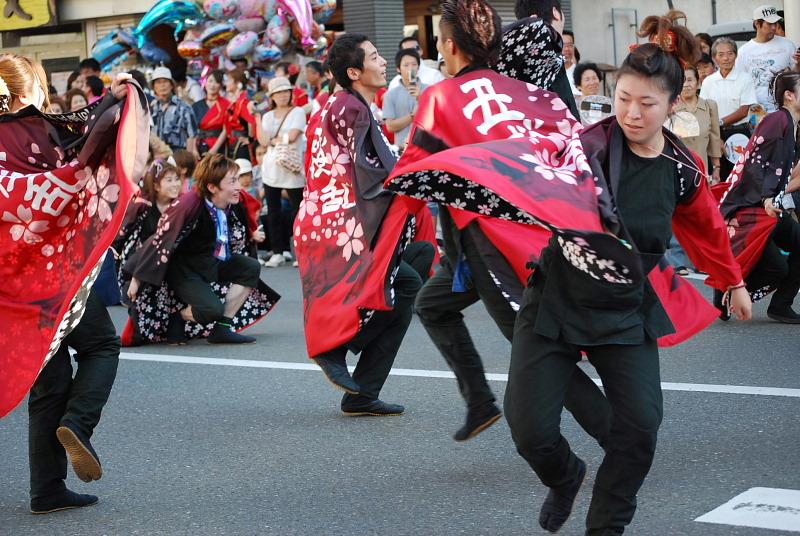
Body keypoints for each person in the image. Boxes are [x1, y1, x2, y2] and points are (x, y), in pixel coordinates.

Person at [504, 41, 751, 535]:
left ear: (673, 104)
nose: (631, 113)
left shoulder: (682, 170)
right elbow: (528, 185)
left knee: (640, 429)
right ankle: (566, 475)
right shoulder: (585, 146)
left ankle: (606, 526)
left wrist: (733, 281)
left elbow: (705, 229)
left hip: (624, 307)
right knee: (531, 432)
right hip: (558, 296)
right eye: (623, 99)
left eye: (647, 103)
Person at [388, 0, 611, 444]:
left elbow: (413, 173)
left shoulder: (440, 97)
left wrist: (382, 236)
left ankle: (617, 436)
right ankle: (479, 400)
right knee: (432, 305)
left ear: (449, 47)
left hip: (489, 240)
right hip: (533, 228)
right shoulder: (529, 93)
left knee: (536, 347)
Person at [0, 53, 149, 512]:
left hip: (9, 285)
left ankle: (47, 489)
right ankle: (79, 425)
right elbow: (85, 152)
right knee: (102, 345)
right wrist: (114, 101)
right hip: (52, 277)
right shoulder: (34, 130)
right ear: (28, 93)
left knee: (51, 379)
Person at [297, 33, 436, 416]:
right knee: (402, 284)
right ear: (355, 71)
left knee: (409, 276)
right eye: (375, 57)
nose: (383, 62)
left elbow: (375, 163)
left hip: (332, 219)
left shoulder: (344, 105)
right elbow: (371, 171)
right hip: (344, 224)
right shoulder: (350, 108)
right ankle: (334, 350)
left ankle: (361, 391)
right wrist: (419, 164)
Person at [123, 154, 278, 345]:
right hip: (184, 269)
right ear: (212, 187)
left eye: (237, 179)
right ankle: (177, 317)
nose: (238, 186)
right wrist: (137, 278)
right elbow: (159, 239)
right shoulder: (188, 204)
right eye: (232, 181)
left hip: (212, 259)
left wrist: (251, 234)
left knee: (250, 267)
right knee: (210, 310)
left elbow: (242, 223)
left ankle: (222, 328)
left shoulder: (232, 199)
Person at [713, 71, 800, 324]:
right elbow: (755, 161)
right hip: (750, 207)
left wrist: (779, 196)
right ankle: (729, 295)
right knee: (776, 268)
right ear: (789, 95)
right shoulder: (776, 120)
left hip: (770, 206)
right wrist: (766, 198)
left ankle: (780, 306)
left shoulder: (792, 124)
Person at [665, 65, 723, 274]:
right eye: (682, 80)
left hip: (702, 171)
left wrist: (716, 167)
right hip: (674, 169)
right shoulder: (670, 106)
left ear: (698, 83)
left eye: (691, 80)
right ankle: (677, 260)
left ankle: (701, 260)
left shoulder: (709, 106)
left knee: (701, 216)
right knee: (677, 214)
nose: (686, 84)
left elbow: (714, 138)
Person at [254, 76, 307, 268]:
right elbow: (262, 140)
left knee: (298, 211)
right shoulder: (267, 116)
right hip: (271, 168)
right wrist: (258, 118)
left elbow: (292, 137)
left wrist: (273, 140)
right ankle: (278, 251)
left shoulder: (298, 111)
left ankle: (301, 250)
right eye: (278, 93)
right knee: (274, 211)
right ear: (272, 96)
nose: (283, 95)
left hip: (292, 167)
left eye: (286, 91)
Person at [700, 38, 757, 181]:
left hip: (739, 133)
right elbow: (704, 110)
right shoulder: (708, 82)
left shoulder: (745, 78)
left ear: (736, 55)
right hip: (714, 135)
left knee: (740, 176)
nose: (726, 58)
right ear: (714, 58)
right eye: (721, 54)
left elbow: (744, 110)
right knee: (719, 177)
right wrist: (715, 135)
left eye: (730, 53)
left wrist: (718, 123)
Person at [736, 5, 798, 113]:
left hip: (786, 109)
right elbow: (740, 83)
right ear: (757, 24)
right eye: (769, 24)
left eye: (775, 23)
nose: (774, 27)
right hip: (757, 112)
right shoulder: (744, 51)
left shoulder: (787, 45)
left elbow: (796, 76)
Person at [383, 48, 427, 151]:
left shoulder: (429, 90)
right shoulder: (391, 94)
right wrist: (412, 116)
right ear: (398, 69)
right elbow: (390, 126)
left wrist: (421, 98)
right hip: (402, 148)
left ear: (419, 67)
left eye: (414, 64)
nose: (410, 68)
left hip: (425, 147)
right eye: (406, 65)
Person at [150, 66, 198, 157]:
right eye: (158, 82)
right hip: (157, 156)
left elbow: (192, 135)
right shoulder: (152, 108)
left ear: (171, 85)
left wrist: (187, 159)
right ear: (154, 87)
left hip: (177, 155)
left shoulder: (184, 107)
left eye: (165, 81)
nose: (162, 85)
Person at [192, 69, 229, 158]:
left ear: (220, 85)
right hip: (199, 146)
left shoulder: (226, 105)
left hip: (218, 147)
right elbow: (193, 130)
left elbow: (225, 130)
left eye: (216, 82)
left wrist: (214, 150)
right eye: (210, 81)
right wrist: (194, 149)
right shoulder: (196, 105)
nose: (212, 85)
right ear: (205, 83)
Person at [223, 69, 255, 161]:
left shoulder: (243, 102)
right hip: (233, 141)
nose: (226, 83)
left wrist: (250, 139)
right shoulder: (236, 101)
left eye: (229, 80)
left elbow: (251, 121)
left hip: (241, 143)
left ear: (238, 83)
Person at [562, 30, 580, 96]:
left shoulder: (579, 72)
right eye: (563, 45)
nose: (567, 49)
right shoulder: (551, 74)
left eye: (570, 45)